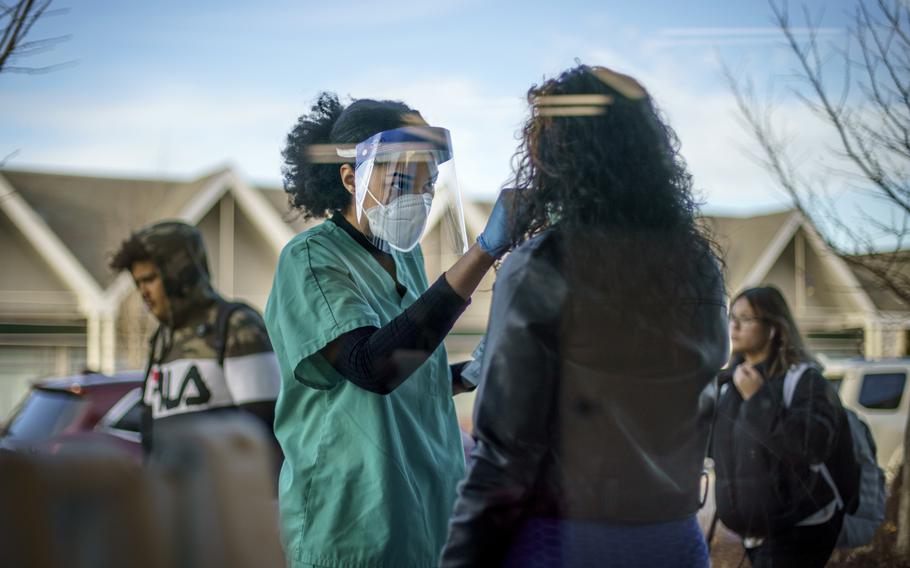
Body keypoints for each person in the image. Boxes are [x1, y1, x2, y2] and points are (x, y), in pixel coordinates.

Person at [439, 64, 729, 567]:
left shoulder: (544, 263)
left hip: (567, 541)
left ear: (553, 157)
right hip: (675, 540)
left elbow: (505, 455)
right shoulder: (698, 265)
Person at [265, 93, 513, 567]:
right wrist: (481, 253)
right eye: (403, 179)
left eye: (428, 184)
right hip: (354, 523)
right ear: (350, 177)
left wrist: (470, 373)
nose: (417, 198)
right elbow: (371, 367)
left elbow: (408, 372)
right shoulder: (312, 259)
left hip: (426, 515)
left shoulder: (407, 259)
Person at [109, 221, 282, 458]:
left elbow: (262, 432)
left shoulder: (236, 325)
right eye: (138, 283)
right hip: (171, 493)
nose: (143, 292)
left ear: (180, 273)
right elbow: (150, 435)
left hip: (228, 492)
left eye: (150, 279)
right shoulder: (162, 339)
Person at [713, 286, 852, 568]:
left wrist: (759, 399)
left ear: (774, 329)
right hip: (753, 534)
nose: (734, 326)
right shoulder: (730, 384)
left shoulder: (804, 381)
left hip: (798, 532)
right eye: (732, 317)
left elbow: (809, 447)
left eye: (746, 318)